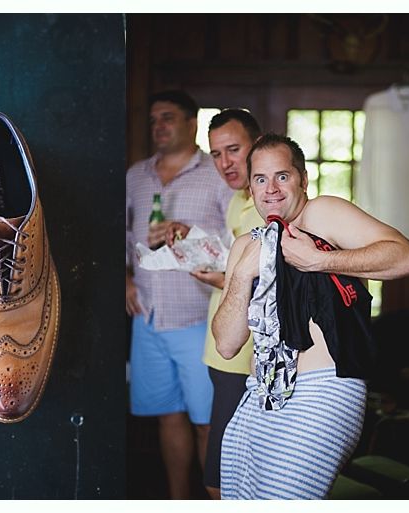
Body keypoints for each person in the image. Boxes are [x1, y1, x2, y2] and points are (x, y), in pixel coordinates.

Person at [211, 134, 409, 499]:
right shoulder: (246, 245)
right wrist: (244, 274)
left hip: (322, 390)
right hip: (258, 397)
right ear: (250, 188)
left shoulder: (322, 213)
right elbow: (227, 344)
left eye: (283, 176)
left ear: (304, 180)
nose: (272, 189)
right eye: (261, 179)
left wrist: (320, 260)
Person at [125, 90, 233, 499]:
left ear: (192, 123)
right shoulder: (136, 175)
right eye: (154, 120)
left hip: (198, 317)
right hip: (148, 316)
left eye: (168, 118)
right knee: (167, 416)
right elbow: (122, 238)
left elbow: (233, 241)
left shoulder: (216, 174)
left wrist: (187, 235)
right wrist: (126, 280)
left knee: (207, 421)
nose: (159, 127)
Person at [162, 109, 263, 499]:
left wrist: (217, 277)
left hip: (246, 354)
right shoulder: (239, 200)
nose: (224, 163)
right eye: (217, 154)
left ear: (258, 144)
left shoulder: (266, 202)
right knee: (222, 474)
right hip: (220, 349)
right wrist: (195, 240)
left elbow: (265, 280)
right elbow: (233, 259)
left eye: (234, 150)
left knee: (222, 479)